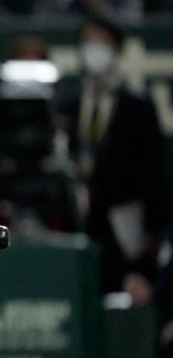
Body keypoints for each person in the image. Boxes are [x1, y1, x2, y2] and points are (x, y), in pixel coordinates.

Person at [57, 15, 167, 294]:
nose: (94, 49)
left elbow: (155, 173)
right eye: (88, 42)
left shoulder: (138, 108)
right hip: (77, 224)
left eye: (101, 42)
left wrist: (151, 230)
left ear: (116, 49)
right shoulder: (66, 105)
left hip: (124, 228)